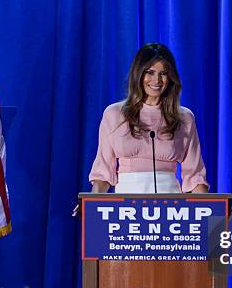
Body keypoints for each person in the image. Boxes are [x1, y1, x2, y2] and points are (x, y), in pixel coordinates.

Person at [89, 43, 209, 194]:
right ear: (138, 74)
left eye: (164, 73)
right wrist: (90, 206)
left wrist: (212, 208)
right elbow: (103, 172)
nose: (157, 80)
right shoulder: (114, 114)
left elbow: (195, 176)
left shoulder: (184, 118)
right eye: (150, 72)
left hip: (171, 208)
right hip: (125, 209)